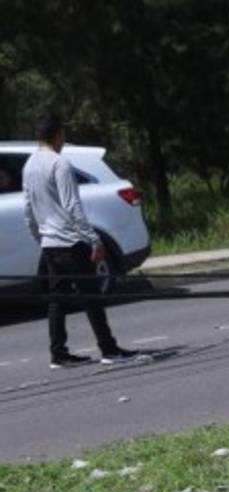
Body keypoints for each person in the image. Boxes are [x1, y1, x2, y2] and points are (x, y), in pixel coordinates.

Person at [22, 114, 136, 369]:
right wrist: (93, 239)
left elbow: (28, 208)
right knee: (92, 296)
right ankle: (108, 349)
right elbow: (72, 205)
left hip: (50, 244)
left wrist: (39, 237)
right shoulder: (59, 163)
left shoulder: (29, 165)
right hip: (71, 242)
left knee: (57, 299)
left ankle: (58, 353)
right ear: (58, 135)